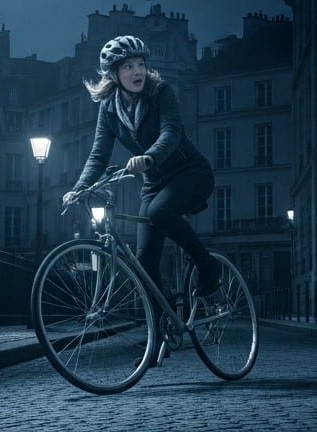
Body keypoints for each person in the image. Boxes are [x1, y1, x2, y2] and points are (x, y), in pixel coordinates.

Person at [62, 35, 222, 297]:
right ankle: (164, 325)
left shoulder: (161, 92)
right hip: (154, 184)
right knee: (144, 264)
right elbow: (98, 154)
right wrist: (79, 188)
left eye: (140, 64)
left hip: (190, 173)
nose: (137, 72)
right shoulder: (109, 107)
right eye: (128, 67)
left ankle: (209, 265)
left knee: (159, 212)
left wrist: (149, 157)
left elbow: (171, 132)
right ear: (114, 74)